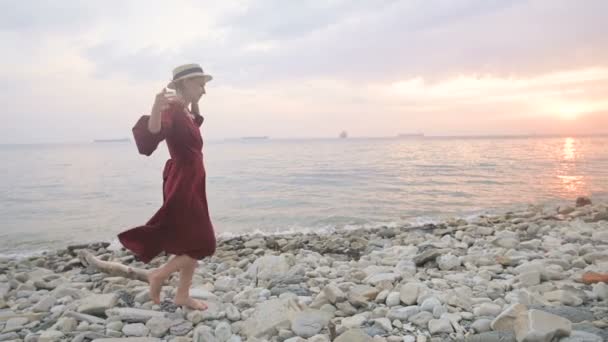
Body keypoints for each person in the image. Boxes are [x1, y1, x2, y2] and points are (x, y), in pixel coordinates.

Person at [118, 63, 216, 310]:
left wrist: (193, 107)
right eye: (200, 84)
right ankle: (159, 275)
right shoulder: (171, 107)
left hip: (192, 181)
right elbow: (155, 131)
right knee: (203, 242)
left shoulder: (182, 109)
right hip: (184, 181)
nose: (204, 90)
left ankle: (182, 295)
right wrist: (155, 107)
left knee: (189, 240)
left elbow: (189, 130)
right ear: (185, 84)